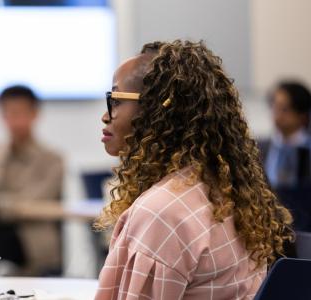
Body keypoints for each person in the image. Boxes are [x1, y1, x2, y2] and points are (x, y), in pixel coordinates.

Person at [95, 40, 293, 299]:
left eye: (116, 99)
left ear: (157, 109)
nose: (106, 115)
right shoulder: (227, 192)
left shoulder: (161, 213)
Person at [0, 85, 64, 276]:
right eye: (8, 113)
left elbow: (31, 204)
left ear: (35, 114)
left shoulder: (52, 160)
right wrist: (3, 156)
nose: (14, 120)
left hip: (28, 239)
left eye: (20, 113)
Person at [258, 81, 311, 188]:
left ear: (302, 114)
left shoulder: (307, 149)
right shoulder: (261, 147)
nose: (277, 114)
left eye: (284, 109)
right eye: (275, 107)